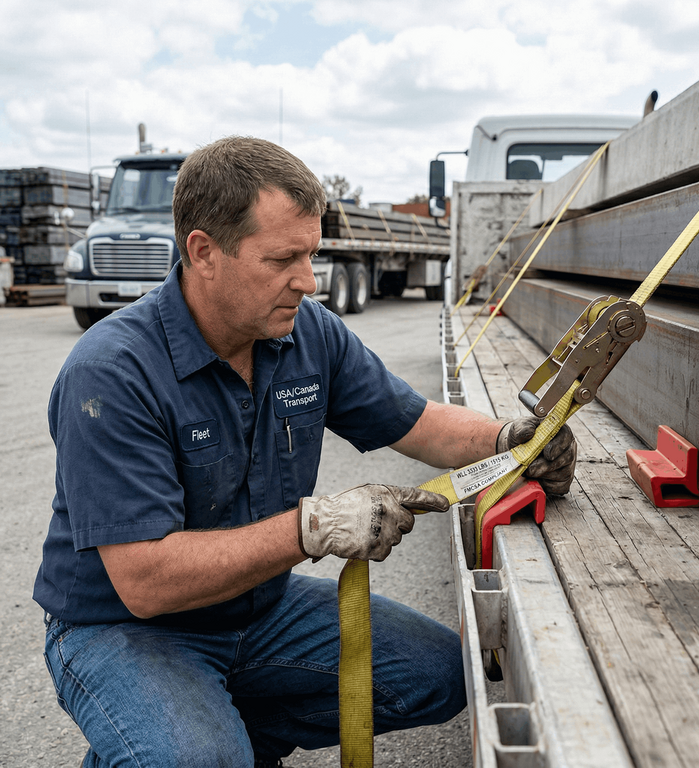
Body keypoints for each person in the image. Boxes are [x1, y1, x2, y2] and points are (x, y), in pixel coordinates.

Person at [33, 136, 577, 768]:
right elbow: (146, 582)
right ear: (203, 252)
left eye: (312, 254)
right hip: (125, 629)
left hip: (256, 610)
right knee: (197, 760)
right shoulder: (111, 374)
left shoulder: (305, 333)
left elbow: (418, 422)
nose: (308, 280)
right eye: (282, 258)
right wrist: (312, 527)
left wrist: (509, 442)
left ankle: (230, 736)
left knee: (441, 672)